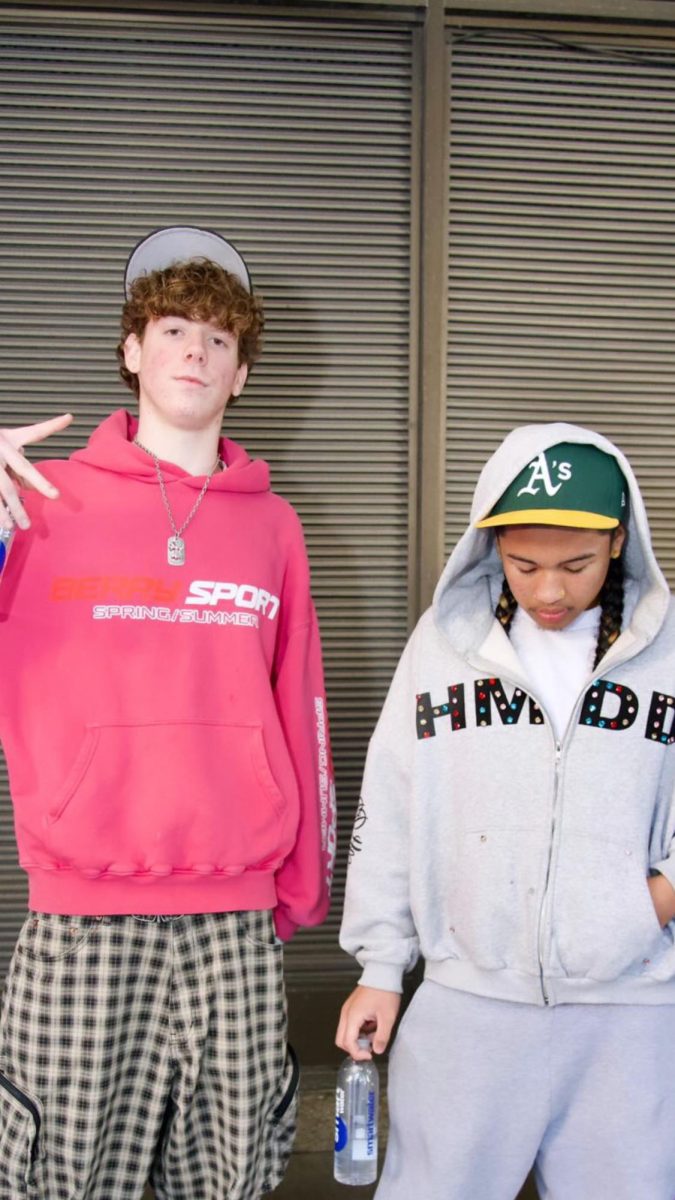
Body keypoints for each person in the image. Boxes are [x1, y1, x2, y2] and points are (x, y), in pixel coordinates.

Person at [0, 225, 336, 1200]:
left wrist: (300, 889)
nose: (196, 350)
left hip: (234, 917)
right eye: (175, 326)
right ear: (131, 349)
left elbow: (300, 700)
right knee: (60, 1182)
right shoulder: (34, 501)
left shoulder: (272, 525)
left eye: (220, 340)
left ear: (239, 376)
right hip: (82, 916)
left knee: (229, 1178)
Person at [337, 423, 675, 1200]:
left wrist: (640, 909)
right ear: (490, 544)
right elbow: (389, 803)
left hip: (627, 1017)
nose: (548, 591)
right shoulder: (442, 646)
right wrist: (381, 968)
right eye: (523, 564)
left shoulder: (665, 654)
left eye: (575, 565)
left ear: (618, 542)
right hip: (466, 1011)